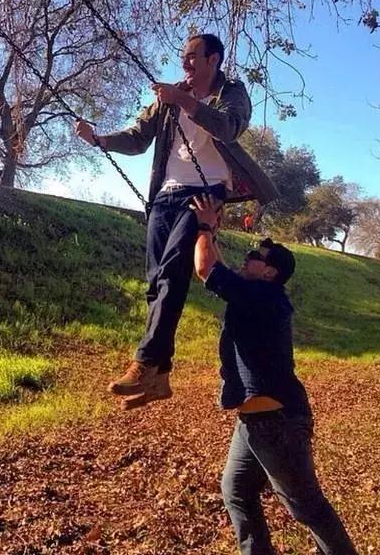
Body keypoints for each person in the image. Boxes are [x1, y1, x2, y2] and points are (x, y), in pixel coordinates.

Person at [191, 194, 380, 555]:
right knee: (236, 491)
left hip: (277, 423)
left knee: (308, 509)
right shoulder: (253, 292)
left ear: (270, 272)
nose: (248, 258)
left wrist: (206, 227)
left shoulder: (264, 296)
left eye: (255, 257)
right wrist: (212, 230)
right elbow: (219, 267)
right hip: (253, 423)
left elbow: (207, 269)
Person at [76, 33, 278, 409]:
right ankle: (161, 377)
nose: (185, 63)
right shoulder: (168, 98)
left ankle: (145, 361)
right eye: (183, 56)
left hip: (205, 191)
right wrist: (99, 140)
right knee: (156, 282)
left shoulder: (231, 92)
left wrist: (183, 100)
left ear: (213, 60)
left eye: (192, 56)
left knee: (172, 272)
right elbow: (138, 138)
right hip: (165, 193)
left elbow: (229, 127)